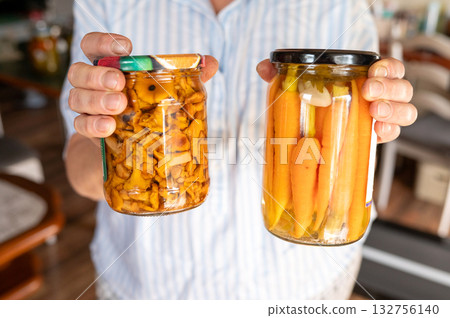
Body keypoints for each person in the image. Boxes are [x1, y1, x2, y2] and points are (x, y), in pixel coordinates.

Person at [61, 0, 417, 299]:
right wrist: (112, 142)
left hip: (300, 285)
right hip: (149, 286)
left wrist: (381, 106)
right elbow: (79, 170)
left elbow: (364, 110)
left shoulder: (341, 5)